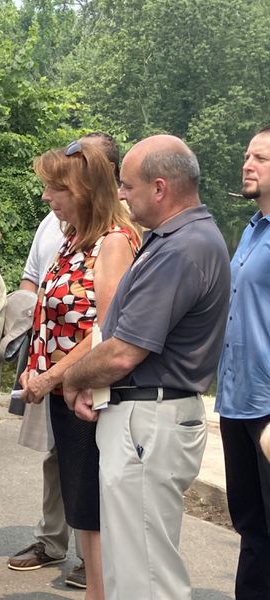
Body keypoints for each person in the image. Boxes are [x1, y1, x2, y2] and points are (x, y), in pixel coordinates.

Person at [62, 135, 230, 600]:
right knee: (131, 570)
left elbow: (124, 351)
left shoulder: (181, 247)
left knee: (145, 579)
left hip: (149, 417)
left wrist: (72, 378)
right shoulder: (178, 240)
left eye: (128, 185)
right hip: (147, 415)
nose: (120, 194)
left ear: (160, 188)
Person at [18, 140, 139, 600]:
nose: (46, 196)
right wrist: (36, 368)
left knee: (94, 511)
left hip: (90, 396)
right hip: (67, 395)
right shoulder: (76, 238)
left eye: (56, 188)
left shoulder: (114, 241)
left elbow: (106, 329)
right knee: (84, 511)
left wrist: (53, 376)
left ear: (85, 191)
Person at [215, 125, 270, 599]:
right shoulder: (253, 228)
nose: (247, 164)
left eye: (261, 159)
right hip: (237, 401)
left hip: (268, 406)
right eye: (248, 155)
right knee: (251, 524)